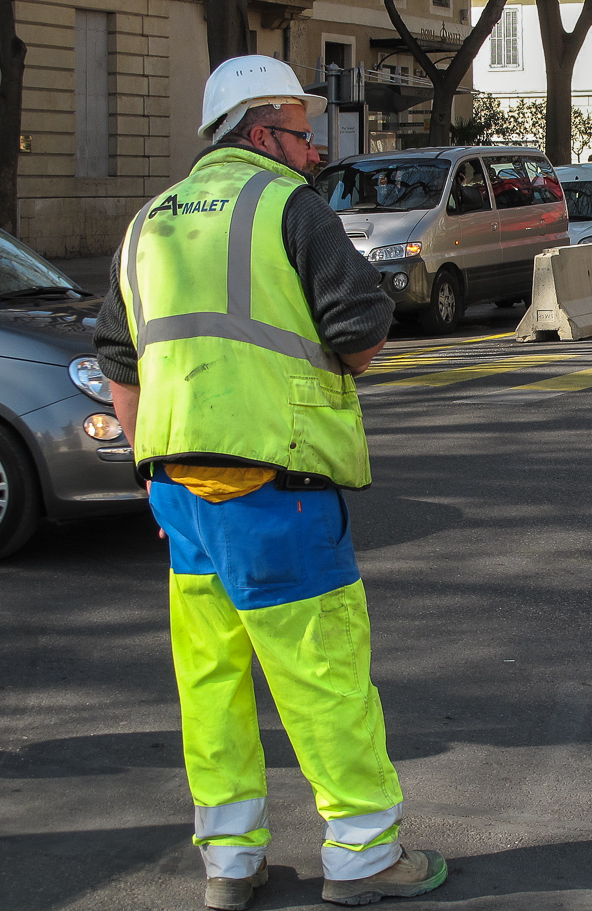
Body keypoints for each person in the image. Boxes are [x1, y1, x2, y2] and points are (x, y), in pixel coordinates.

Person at [93, 55, 447, 910]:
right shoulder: (288, 206)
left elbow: (118, 361)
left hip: (179, 487)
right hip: (273, 482)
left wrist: (153, 477)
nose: (314, 146)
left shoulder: (150, 220)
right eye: (301, 130)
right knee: (322, 674)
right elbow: (360, 329)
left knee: (210, 680)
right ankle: (363, 858)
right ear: (259, 133)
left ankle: (230, 862)